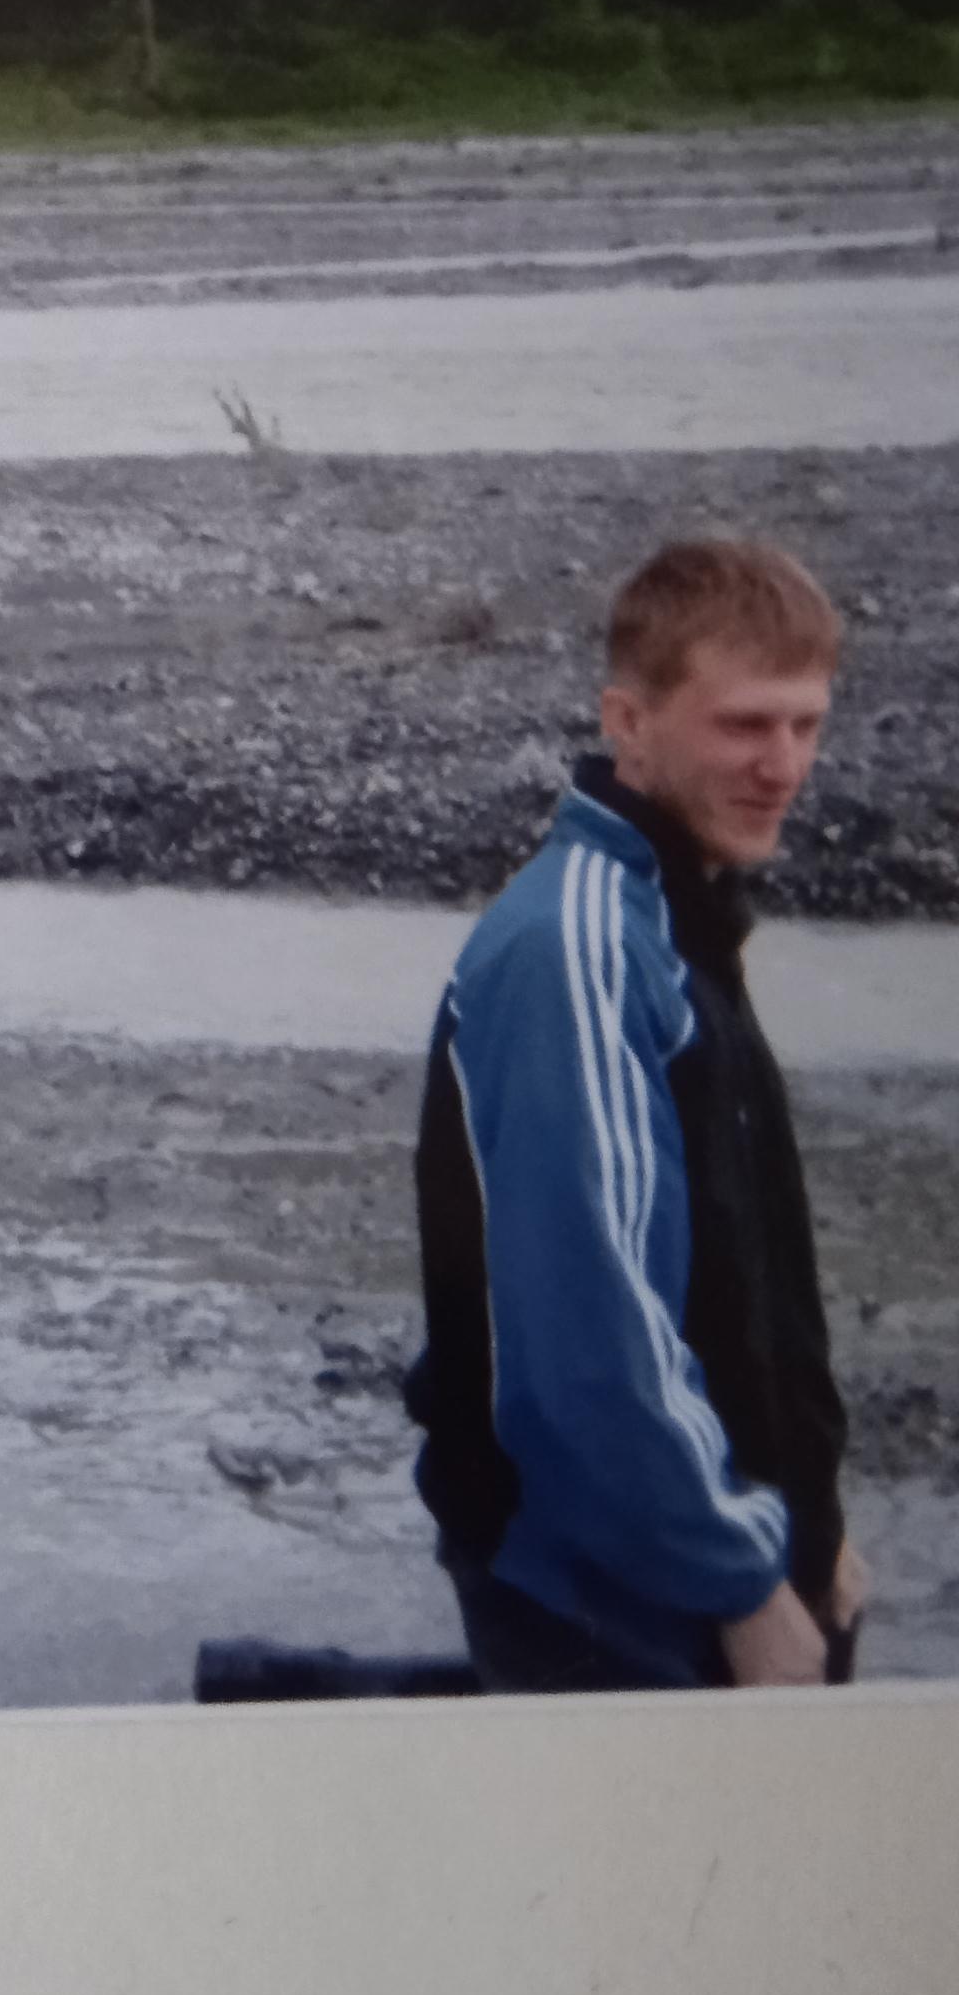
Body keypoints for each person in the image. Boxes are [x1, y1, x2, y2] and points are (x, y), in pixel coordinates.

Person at [404, 535, 866, 1692]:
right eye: (744, 724)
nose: (783, 763)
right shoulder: (582, 949)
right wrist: (743, 1583)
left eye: (806, 724)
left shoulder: (677, 919)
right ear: (630, 721)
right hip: (610, 1599)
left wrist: (816, 1523)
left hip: (696, 1565)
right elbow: (592, 1348)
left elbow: (742, 1282)